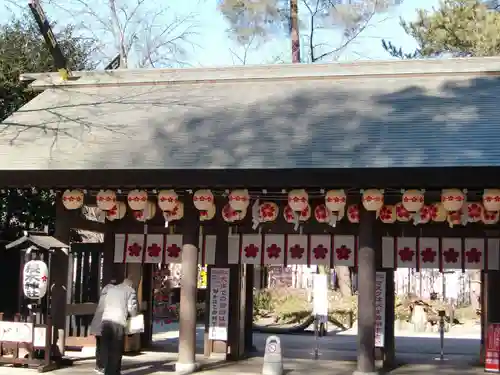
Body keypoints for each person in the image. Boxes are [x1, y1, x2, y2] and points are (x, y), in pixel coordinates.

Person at [100, 278, 138, 375]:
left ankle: (107, 370)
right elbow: (132, 308)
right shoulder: (130, 291)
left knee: (107, 347)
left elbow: (104, 304)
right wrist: (134, 317)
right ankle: (114, 372)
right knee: (116, 349)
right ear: (131, 285)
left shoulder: (111, 289)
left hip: (105, 320)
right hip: (118, 322)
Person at [89, 280, 116, 374]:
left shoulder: (103, 294)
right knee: (105, 346)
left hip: (97, 324)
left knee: (99, 345)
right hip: (105, 324)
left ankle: (98, 365)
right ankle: (104, 366)